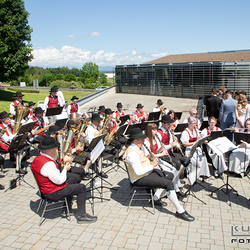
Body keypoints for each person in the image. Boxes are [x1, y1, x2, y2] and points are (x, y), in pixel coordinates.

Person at [124, 128, 194, 221]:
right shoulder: (132, 153)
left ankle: (155, 199)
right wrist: (152, 165)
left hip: (146, 173)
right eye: (142, 139)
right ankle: (180, 211)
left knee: (170, 175)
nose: (144, 140)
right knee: (168, 184)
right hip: (139, 178)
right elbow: (138, 172)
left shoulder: (136, 148)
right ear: (136, 140)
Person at [31, 137, 97, 224]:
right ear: (50, 150)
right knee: (81, 188)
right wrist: (65, 169)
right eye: (55, 149)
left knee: (73, 180)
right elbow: (59, 180)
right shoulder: (48, 164)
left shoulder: (38, 158)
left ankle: (67, 209)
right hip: (52, 192)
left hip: (46, 189)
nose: (56, 151)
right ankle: (82, 215)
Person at [142, 123, 185, 198]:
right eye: (154, 130)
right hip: (150, 163)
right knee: (169, 173)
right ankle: (166, 192)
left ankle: (176, 189)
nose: (156, 132)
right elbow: (148, 156)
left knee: (174, 169)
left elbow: (157, 151)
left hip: (157, 159)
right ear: (149, 131)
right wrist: (161, 154)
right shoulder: (146, 141)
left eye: (156, 130)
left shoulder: (155, 139)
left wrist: (162, 149)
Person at [180, 116, 210, 185]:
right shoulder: (185, 132)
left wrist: (201, 139)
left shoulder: (195, 130)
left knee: (203, 158)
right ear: (189, 123)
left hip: (196, 148)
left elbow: (199, 138)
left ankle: (202, 173)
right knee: (195, 160)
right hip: (189, 150)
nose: (194, 125)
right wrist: (194, 142)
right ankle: (192, 177)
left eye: (195, 123)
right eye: (193, 123)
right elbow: (184, 144)